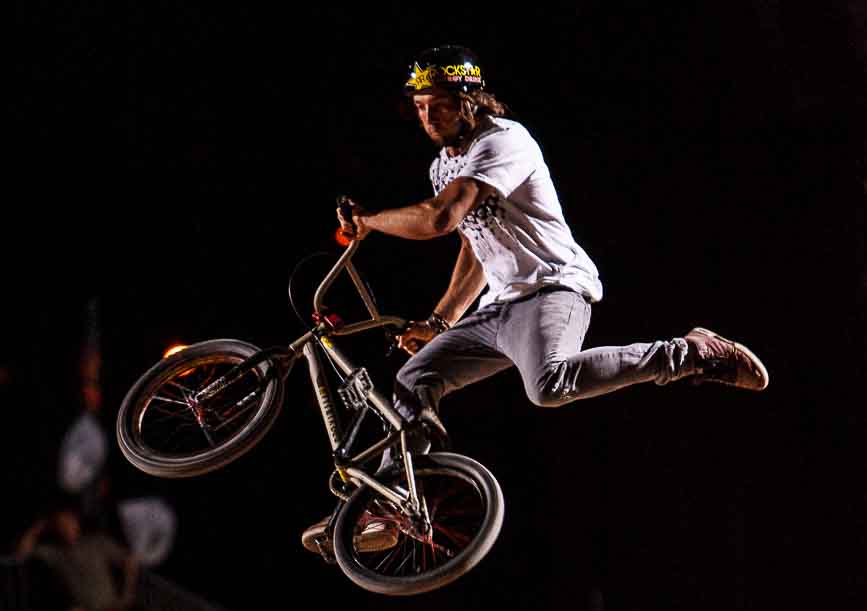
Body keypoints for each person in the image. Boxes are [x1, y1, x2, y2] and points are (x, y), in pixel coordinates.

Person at [303, 46, 768, 554]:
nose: (427, 117)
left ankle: (690, 353)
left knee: (548, 385)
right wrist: (441, 321)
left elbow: (440, 219)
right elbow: (474, 245)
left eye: (437, 104)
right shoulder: (443, 166)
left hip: (553, 290)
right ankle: (388, 505)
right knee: (414, 379)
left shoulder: (506, 142)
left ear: (470, 101)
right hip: (497, 310)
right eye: (418, 107)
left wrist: (368, 222)